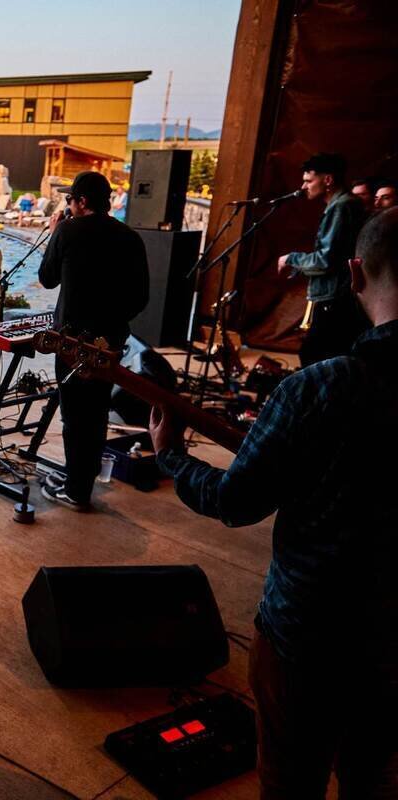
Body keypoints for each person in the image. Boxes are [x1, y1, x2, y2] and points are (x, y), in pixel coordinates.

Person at [149, 207, 398, 799]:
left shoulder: (323, 386)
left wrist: (171, 456)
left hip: (311, 632)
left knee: (292, 782)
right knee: (375, 776)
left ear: (356, 274)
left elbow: (235, 501)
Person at [37, 171, 149, 510]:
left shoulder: (69, 230)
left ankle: (76, 491)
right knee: (97, 411)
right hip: (109, 342)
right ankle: (79, 481)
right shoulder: (130, 237)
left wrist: (55, 233)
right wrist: (112, 322)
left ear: (81, 201)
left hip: (72, 343)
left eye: (70, 199)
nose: (69, 205)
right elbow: (140, 297)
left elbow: (46, 278)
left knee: (74, 415)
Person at [277, 153, 369, 366]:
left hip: (334, 299)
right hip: (336, 296)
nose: (303, 186)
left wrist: (291, 259)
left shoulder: (341, 206)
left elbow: (325, 260)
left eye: (309, 181)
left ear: (327, 180)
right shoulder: (341, 205)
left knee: (315, 357)